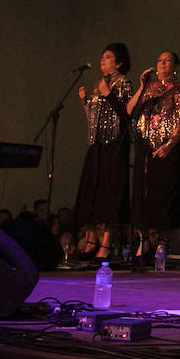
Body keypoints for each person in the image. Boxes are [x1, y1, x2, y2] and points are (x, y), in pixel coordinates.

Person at [73, 43, 134, 253]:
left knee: (110, 192)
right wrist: (84, 102)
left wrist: (108, 94)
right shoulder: (100, 84)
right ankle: (91, 239)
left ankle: (107, 242)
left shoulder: (124, 83)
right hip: (97, 144)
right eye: (102, 56)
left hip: (114, 145)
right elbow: (92, 120)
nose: (102, 60)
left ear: (119, 62)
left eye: (108, 57)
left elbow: (126, 115)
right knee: (91, 190)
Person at [127, 50, 180, 244]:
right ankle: (144, 240)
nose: (163, 64)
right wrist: (141, 86)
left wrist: (170, 144)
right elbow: (130, 109)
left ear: (175, 67)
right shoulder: (149, 87)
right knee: (143, 192)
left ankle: (161, 242)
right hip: (147, 146)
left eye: (168, 60)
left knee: (164, 193)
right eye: (160, 60)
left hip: (168, 147)